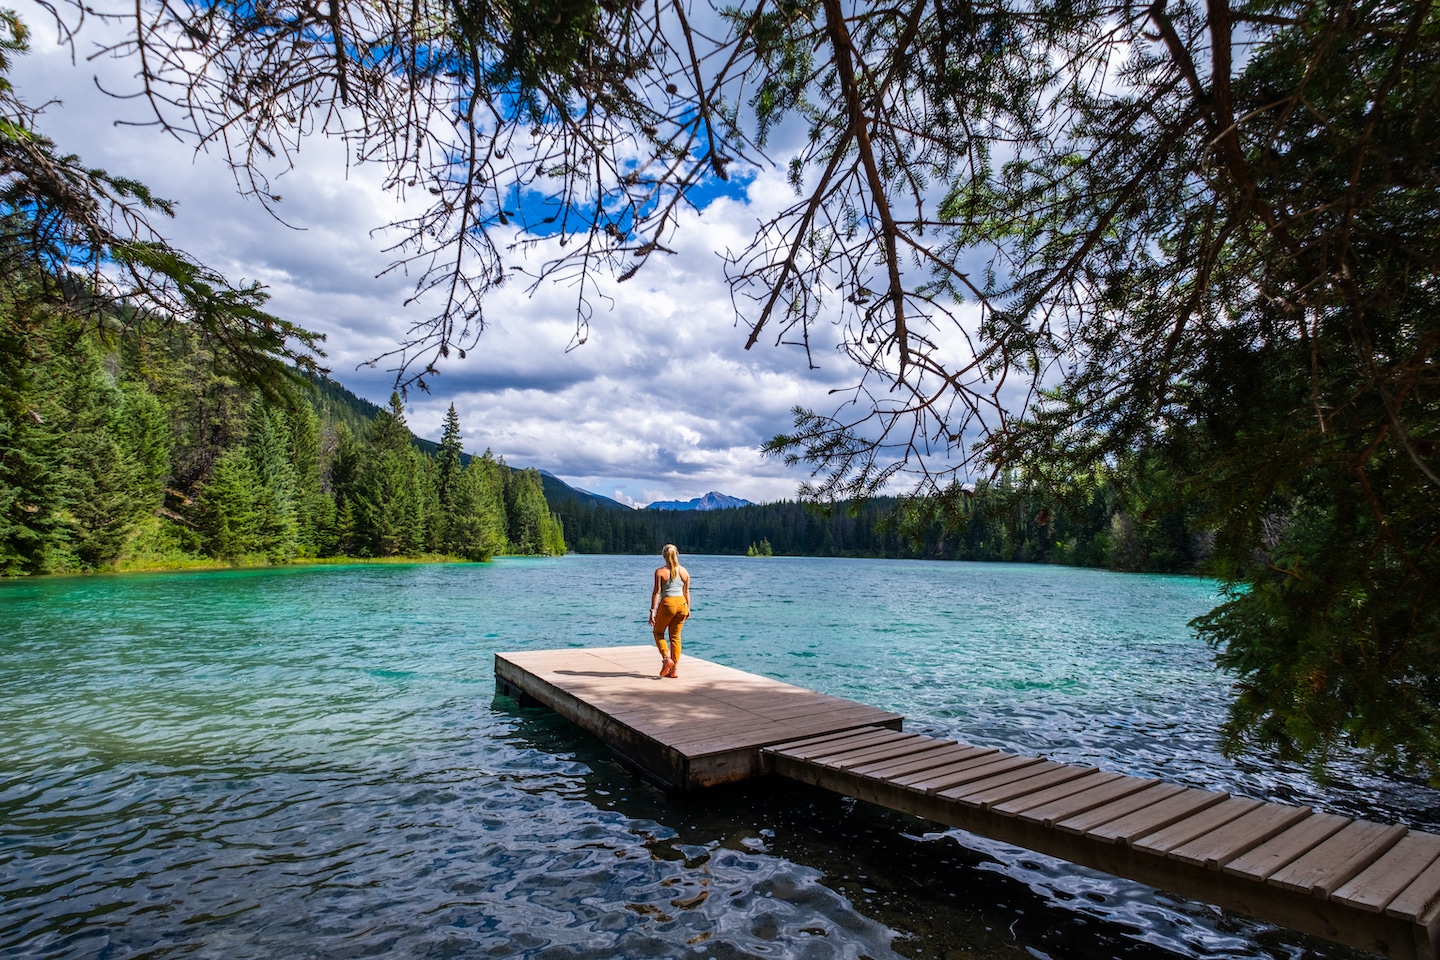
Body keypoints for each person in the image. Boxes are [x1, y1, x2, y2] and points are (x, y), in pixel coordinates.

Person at [648, 544, 690, 678]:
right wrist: (688, 608)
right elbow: (686, 591)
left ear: (663, 556)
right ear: (677, 554)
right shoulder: (684, 572)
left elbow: (657, 592)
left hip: (668, 604)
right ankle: (674, 670)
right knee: (676, 637)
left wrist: (652, 611)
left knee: (658, 632)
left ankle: (667, 659)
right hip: (682, 604)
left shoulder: (660, 572)